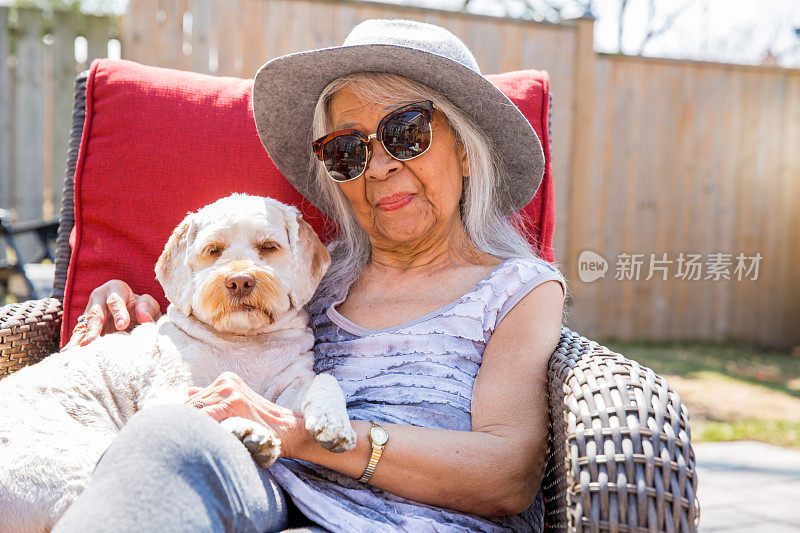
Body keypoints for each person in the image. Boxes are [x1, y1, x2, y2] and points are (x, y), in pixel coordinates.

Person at [54, 18, 567, 533]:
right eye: (349, 150)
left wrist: (298, 433)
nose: (379, 167)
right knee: (164, 434)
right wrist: (127, 302)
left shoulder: (517, 290)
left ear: (465, 147)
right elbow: (214, 333)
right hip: (263, 502)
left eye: (407, 133)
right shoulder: (308, 274)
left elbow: (507, 476)